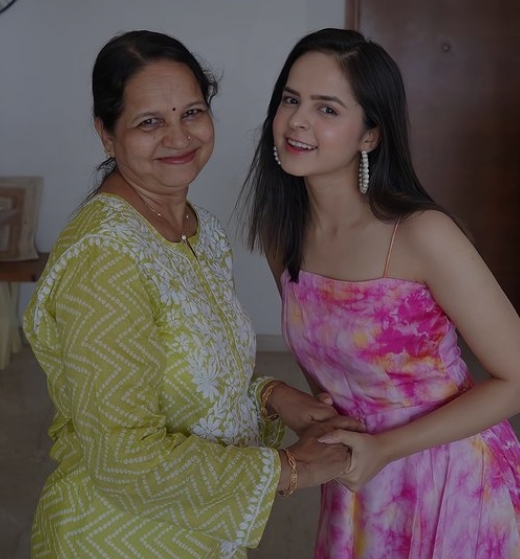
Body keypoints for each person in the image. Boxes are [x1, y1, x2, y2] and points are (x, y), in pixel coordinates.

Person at [23, 30, 361, 559]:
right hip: (115, 540)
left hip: (196, 537)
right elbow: (124, 459)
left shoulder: (197, 228)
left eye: (193, 112)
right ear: (106, 134)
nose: (179, 138)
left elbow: (189, 381)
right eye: (149, 122)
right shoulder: (104, 258)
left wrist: (274, 397)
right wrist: (295, 467)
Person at [239, 27, 520, 558]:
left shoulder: (421, 235)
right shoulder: (286, 237)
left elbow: (517, 377)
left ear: (370, 135)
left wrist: (385, 447)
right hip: (359, 485)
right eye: (291, 100)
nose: (297, 121)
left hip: (453, 482)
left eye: (328, 109)